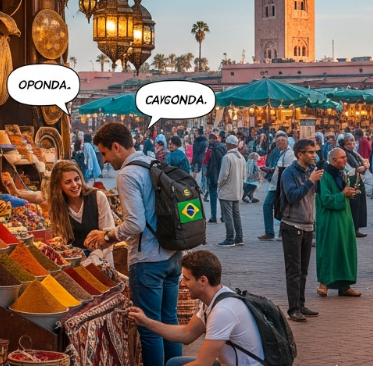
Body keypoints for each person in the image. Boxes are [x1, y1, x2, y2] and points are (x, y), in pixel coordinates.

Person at [86, 122, 182, 365]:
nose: (105, 160)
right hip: (171, 256)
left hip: (148, 260)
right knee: (169, 321)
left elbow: (135, 225)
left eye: (105, 153)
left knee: (149, 328)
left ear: (116, 146)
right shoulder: (152, 162)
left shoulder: (127, 174)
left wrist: (107, 236)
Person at [128, 250, 264, 366]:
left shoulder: (222, 312)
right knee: (174, 362)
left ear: (203, 281)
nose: (182, 283)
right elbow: (187, 334)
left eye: (187, 279)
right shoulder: (215, 298)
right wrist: (146, 321)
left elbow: (202, 364)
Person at [279, 139, 323, 322]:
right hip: (292, 225)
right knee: (294, 270)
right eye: (310, 152)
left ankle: (301, 304)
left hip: (308, 225)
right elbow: (292, 196)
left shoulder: (309, 171)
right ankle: (293, 308)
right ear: (300, 154)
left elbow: (315, 195)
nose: (314, 155)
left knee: (304, 270)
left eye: (315, 152)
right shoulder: (289, 173)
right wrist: (310, 182)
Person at [46, 161, 116, 264]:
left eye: (77, 179)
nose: (74, 185)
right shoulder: (58, 207)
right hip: (75, 264)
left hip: (101, 262)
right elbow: (61, 243)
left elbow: (109, 235)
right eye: (68, 182)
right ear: (59, 186)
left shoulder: (97, 197)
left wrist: (93, 259)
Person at [315, 148, 361, 298]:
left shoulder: (341, 174)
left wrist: (350, 192)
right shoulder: (324, 176)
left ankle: (344, 285)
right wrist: (343, 194)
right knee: (329, 250)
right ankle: (324, 283)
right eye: (342, 158)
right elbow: (326, 199)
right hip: (329, 219)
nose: (345, 160)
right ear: (333, 160)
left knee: (345, 250)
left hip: (344, 218)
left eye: (345, 157)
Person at [259, 133, 294, 241]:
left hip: (281, 186)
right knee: (268, 206)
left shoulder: (289, 154)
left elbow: (287, 171)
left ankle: (282, 233)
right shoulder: (280, 153)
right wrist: (269, 170)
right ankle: (269, 232)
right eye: (278, 142)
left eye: (282, 141)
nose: (280, 143)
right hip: (275, 185)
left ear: (287, 142)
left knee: (282, 208)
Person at [217, 136, 246, 247]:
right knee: (236, 215)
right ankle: (239, 238)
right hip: (237, 190)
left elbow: (223, 175)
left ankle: (230, 238)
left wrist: (219, 185)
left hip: (227, 190)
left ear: (229, 144)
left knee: (228, 216)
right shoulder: (241, 157)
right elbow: (244, 175)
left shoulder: (227, 157)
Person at [340, 134, 368, 238]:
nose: (351, 145)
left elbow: (361, 167)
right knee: (353, 205)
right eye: (348, 143)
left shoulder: (354, 154)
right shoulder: (344, 154)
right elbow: (345, 169)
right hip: (350, 181)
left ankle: (356, 228)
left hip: (357, 180)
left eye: (352, 143)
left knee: (358, 206)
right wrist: (358, 169)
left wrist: (363, 167)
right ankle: (352, 228)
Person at [207, 133, 227, 224]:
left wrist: (209, 171)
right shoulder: (223, 147)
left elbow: (213, 162)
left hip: (214, 175)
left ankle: (214, 216)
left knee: (214, 196)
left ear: (214, 140)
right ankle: (223, 216)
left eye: (210, 140)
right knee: (222, 196)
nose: (209, 141)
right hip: (222, 175)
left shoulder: (214, 148)